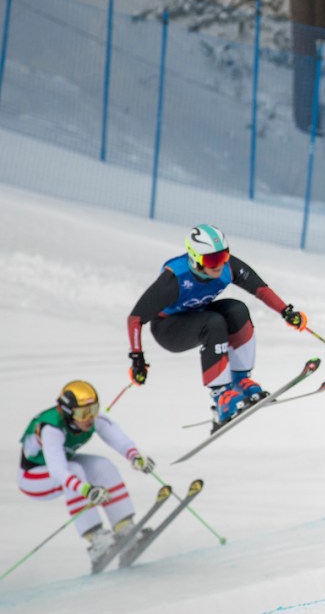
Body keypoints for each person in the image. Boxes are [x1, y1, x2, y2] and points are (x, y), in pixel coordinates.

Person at [127, 224, 309, 428]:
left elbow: (260, 289)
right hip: (168, 329)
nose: (219, 265)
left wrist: (286, 311)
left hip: (196, 315)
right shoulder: (175, 278)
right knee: (213, 323)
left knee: (237, 310)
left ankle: (240, 381)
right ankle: (221, 396)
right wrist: (137, 359)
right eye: (211, 260)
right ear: (195, 259)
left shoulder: (228, 267)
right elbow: (135, 319)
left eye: (222, 256)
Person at [18, 380, 157, 564]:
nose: (89, 418)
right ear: (68, 413)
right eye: (82, 413)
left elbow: (117, 438)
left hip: (63, 467)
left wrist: (136, 457)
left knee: (103, 465)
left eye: (93, 409)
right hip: (33, 479)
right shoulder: (51, 428)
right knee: (74, 470)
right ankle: (96, 541)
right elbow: (58, 471)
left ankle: (125, 528)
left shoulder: (90, 419)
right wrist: (87, 490)